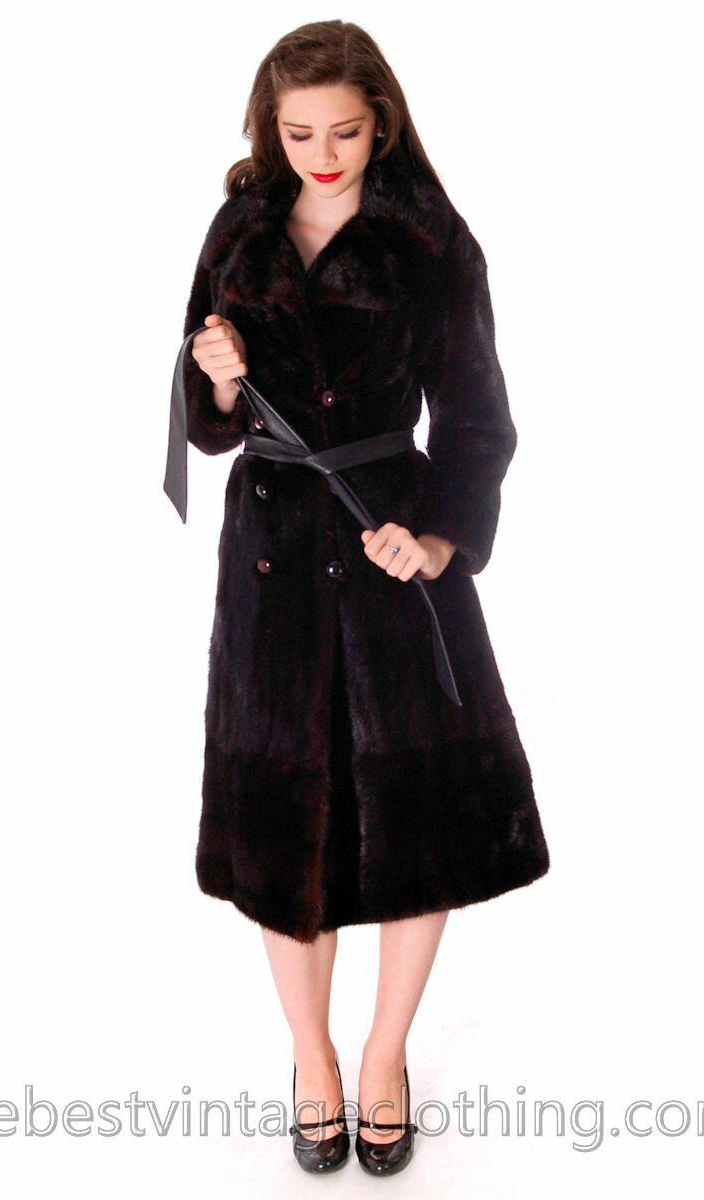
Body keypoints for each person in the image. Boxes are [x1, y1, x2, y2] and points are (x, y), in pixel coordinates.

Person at [167, 19, 550, 1176]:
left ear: (381, 120)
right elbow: (206, 427)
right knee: (283, 822)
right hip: (274, 553)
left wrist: (440, 540)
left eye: (343, 130)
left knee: (420, 814)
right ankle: (312, 1056)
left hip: (395, 547)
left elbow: (478, 417)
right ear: (268, 127)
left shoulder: (432, 239)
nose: (322, 155)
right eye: (298, 134)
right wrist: (214, 382)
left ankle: (385, 1053)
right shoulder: (239, 230)